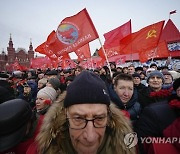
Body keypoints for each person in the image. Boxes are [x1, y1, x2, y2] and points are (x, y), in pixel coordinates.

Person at [28, 71, 136, 154]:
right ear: (64, 117)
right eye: (78, 119)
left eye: (99, 119)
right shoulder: (39, 151)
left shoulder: (126, 146)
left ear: (109, 118)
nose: (90, 137)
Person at [135, 77, 180, 153]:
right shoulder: (153, 112)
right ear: (178, 91)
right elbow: (144, 144)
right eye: (152, 78)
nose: (155, 80)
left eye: (158, 78)